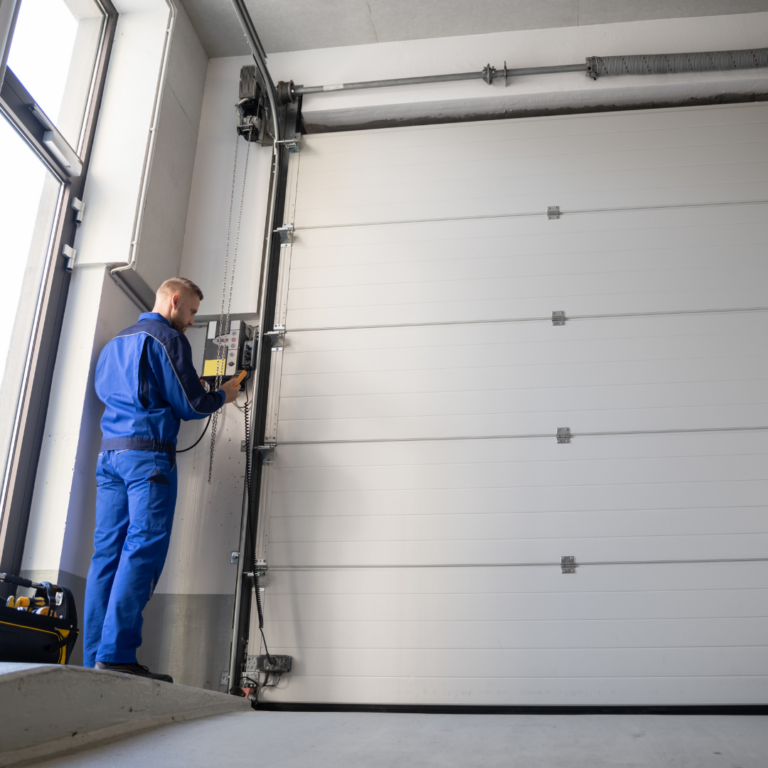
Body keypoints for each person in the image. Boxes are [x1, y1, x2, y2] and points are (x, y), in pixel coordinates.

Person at [83, 277, 240, 682]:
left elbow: (116, 391)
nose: (190, 320)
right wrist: (225, 393)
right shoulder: (167, 339)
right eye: (190, 312)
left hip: (110, 456)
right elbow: (192, 405)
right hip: (147, 460)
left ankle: (94, 662)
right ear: (174, 301)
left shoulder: (115, 343)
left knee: (107, 556)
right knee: (142, 551)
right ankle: (116, 656)